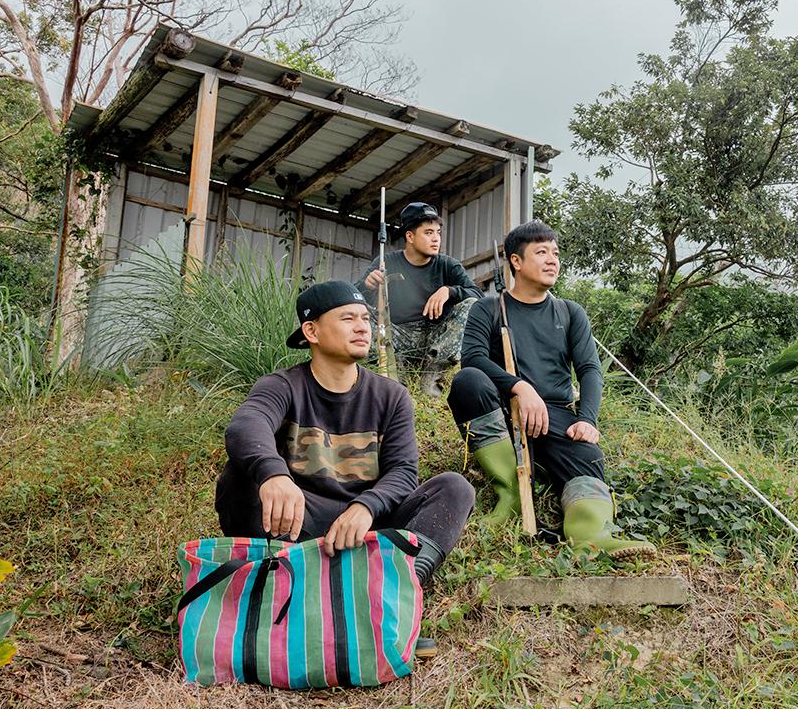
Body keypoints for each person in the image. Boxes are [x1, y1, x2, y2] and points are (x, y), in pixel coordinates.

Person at [215, 280, 476, 593]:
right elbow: (246, 425)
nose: (362, 327)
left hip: (368, 529)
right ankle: (276, 580)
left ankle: (399, 589)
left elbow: (404, 472)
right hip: (297, 528)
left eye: (365, 318)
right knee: (238, 476)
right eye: (348, 319)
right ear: (311, 332)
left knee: (454, 488)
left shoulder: (391, 396)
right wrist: (274, 475)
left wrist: (365, 507)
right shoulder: (282, 386)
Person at [446, 221, 655, 559]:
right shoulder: (488, 309)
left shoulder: (570, 312)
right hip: (501, 413)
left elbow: (589, 369)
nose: (552, 260)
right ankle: (511, 495)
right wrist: (519, 387)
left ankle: (590, 535)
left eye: (555, 253)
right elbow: (472, 358)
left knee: (589, 456)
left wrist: (587, 419)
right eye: (541, 252)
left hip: (554, 415)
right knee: (467, 381)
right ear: (516, 261)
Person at [356, 202, 483, 396]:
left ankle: (431, 378)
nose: (436, 239)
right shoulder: (386, 261)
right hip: (398, 336)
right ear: (410, 236)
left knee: (472, 306)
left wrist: (449, 291)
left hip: (436, 337)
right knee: (358, 312)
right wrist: (368, 285)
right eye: (428, 232)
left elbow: (478, 296)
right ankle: (395, 373)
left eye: (438, 232)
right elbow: (353, 298)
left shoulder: (448, 265)